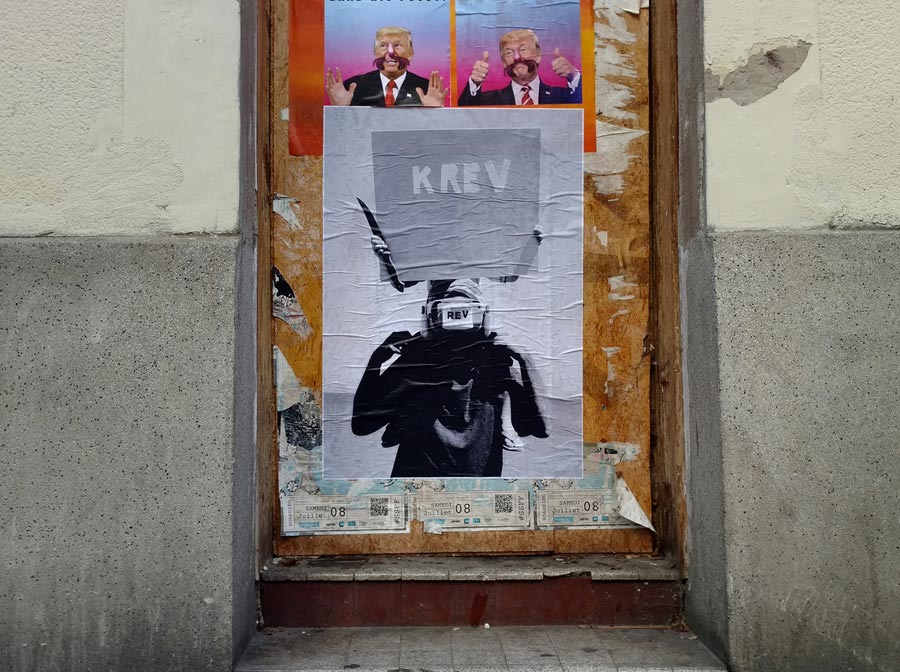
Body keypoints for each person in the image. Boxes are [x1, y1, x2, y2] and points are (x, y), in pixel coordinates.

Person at [351, 279, 547, 477]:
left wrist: (524, 359)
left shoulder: (495, 362)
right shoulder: (417, 358)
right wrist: (377, 360)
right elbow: (362, 425)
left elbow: (540, 429)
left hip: (475, 490)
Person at [326, 26, 447, 107]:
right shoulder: (353, 88)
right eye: (383, 46)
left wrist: (435, 112)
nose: (390, 53)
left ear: (410, 54)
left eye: (397, 45)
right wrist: (340, 109)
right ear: (375, 52)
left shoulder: (426, 89)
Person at [457, 28, 581, 106]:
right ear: (504, 62)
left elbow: (586, 109)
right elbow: (463, 115)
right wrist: (474, 82)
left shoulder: (563, 96)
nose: (517, 57)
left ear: (538, 56)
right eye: (509, 53)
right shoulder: (488, 100)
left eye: (523, 49)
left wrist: (573, 76)